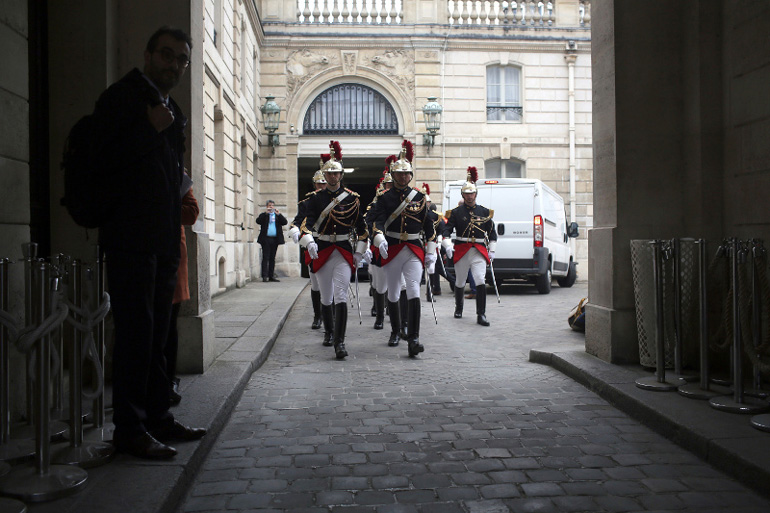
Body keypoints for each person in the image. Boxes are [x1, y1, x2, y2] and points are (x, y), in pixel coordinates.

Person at [93, 26, 206, 459]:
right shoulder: (122, 98)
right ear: (147, 53)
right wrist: (146, 129)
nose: (174, 65)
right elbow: (105, 163)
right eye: (167, 55)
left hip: (162, 240)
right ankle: (130, 429)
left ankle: (158, 418)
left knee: (160, 336)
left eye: (181, 59)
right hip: (129, 238)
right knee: (137, 336)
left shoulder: (170, 107)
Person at [296, 141, 368, 359]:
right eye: (329, 174)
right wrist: (308, 241)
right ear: (324, 176)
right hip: (323, 249)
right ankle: (328, 331)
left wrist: (360, 251)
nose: (333, 177)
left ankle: (340, 342)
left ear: (341, 175)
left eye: (336, 174)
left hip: (344, 250)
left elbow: (362, 229)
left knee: (341, 295)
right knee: (326, 297)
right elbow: (301, 224)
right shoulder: (314, 200)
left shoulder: (353, 199)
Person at [372, 140, 437, 356]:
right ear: (393, 175)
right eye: (399, 174)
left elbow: (428, 226)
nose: (402, 177)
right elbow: (377, 220)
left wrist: (430, 251)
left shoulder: (419, 197)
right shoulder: (385, 198)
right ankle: (395, 330)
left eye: (406, 174)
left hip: (413, 248)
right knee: (392, 292)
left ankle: (414, 338)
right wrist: (379, 237)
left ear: (410, 175)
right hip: (392, 247)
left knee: (413, 290)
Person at [442, 166, 498, 327]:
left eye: (471, 193)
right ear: (463, 195)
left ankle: (481, 314)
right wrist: (447, 245)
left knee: (480, 279)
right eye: (466, 194)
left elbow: (492, 234)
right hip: (461, 248)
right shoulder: (456, 212)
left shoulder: (485, 212)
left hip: (479, 250)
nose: (469, 196)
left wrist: (492, 250)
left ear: (476, 194)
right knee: (460, 281)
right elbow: (446, 230)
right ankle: (458, 308)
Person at [166, 173, 199, 406]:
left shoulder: (176, 172)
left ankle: (166, 380)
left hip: (170, 256)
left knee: (168, 326)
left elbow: (191, 213)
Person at [289, 169, 328, 333]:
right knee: (316, 284)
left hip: (331, 244)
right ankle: (318, 316)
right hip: (313, 243)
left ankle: (330, 315)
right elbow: (297, 222)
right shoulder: (307, 202)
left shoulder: (338, 201)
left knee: (331, 283)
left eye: (324, 184)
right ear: (315, 184)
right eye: (319, 184)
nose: (321, 187)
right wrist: (295, 230)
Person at [256, 200, 287, 282]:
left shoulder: (276, 215)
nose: (271, 207)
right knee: (265, 257)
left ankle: (271, 275)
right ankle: (264, 276)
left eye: (272, 205)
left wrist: (279, 214)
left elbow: (285, 222)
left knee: (272, 258)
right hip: (266, 239)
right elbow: (258, 221)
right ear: (267, 206)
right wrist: (266, 213)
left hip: (275, 239)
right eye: (269, 205)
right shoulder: (264, 215)